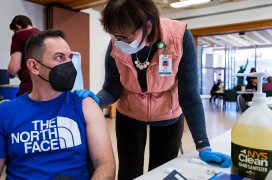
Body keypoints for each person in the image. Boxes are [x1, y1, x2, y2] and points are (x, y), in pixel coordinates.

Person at [76, 0, 230, 179]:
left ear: (148, 26)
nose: (118, 42)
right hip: (129, 114)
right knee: (128, 171)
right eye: (114, 36)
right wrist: (95, 100)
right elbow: (111, 89)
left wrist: (203, 144)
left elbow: (189, 96)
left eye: (125, 37)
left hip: (168, 115)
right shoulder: (116, 43)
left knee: (161, 171)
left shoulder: (179, 38)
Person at [0, 30, 115, 180]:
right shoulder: (6, 112)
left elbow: (106, 165)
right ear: (34, 66)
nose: (68, 64)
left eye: (69, 57)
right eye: (59, 57)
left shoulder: (85, 105)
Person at [7, 15, 41, 96]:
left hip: (30, 86)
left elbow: (14, 68)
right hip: (46, 85)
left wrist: (10, 71)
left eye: (14, 31)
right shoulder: (42, 34)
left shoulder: (19, 35)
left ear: (18, 27)